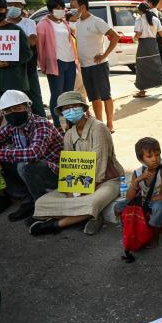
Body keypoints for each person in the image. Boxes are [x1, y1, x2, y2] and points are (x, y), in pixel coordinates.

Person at [30, 91, 124, 236]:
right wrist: (70, 190)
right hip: (80, 183)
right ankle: (87, 216)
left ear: (83, 108)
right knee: (41, 203)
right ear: (62, 112)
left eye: (75, 106)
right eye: (66, 108)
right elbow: (68, 166)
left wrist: (83, 192)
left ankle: (56, 224)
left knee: (91, 202)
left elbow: (100, 162)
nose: (71, 110)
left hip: (107, 180)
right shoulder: (68, 134)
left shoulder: (98, 127)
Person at [0, 90, 63, 222]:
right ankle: (27, 199)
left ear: (28, 107)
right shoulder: (12, 126)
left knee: (25, 164)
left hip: (56, 173)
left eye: (17, 108)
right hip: (34, 172)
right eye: (8, 111)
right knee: (1, 160)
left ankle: (43, 208)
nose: (13, 113)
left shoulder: (41, 124)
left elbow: (34, 153)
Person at [70, 0, 119, 133]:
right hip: (84, 66)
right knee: (94, 97)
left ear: (83, 7)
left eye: (74, 7)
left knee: (105, 95)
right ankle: (100, 124)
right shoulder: (77, 24)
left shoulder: (96, 21)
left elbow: (115, 36)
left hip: (99, 66)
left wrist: (105, 54)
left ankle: (110, 124)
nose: (71, 10)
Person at [114, 137, 162, 242]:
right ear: (141, 159)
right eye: (149, 156)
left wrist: (144, 202)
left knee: (158, 207)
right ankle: (129, 231)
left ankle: (154, 235)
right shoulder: (138, 172)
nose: (154, 159)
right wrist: (137, 180)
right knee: (119, 206)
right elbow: (129, 197)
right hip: (146, 202)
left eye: (157, 155)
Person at [37, 0, 78, 127]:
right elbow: (40, 46)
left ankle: (70, 123)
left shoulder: (65, 23)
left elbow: (70, 41)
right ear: (51, 10)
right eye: (57, 8)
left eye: (62, 8)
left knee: (69, 94)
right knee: (56, 94)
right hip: (55, 62)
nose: (61, 10)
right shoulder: (43, 24)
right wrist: (42, 64)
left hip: (70, 61)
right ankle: (57, 125)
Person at [4, 0, 44, 117]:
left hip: (28, 68)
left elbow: (32, 41)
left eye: (17, 4)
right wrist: (22, 40)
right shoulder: (1, 24)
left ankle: (41, 124)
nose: (14, 7)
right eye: (10, 4)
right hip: (9, 69)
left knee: (35, 99)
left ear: (22, 6)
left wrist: (11, 40)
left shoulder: (29, 22)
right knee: (14, 101)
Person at [133, 2, 162, 98]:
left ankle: (142, 91)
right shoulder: (155, 19)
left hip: (143, 45)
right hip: (153, 45)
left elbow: (138, 34)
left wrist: (134, 39)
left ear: (140, 11)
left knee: (141, 67)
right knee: (157, 66)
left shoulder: (139, 19)